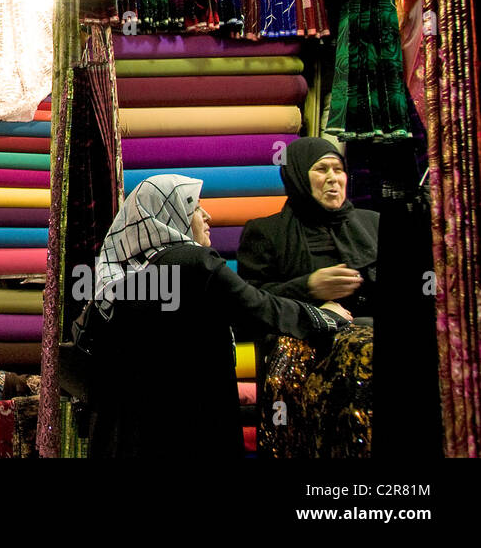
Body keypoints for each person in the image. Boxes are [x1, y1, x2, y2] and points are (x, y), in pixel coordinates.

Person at [82, 175, 350, 458]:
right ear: (169, 213)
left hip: (123, 436)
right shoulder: (195, 263)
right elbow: (259, 309)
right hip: (187, 430)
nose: (207, 215)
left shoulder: (120, 276)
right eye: (195, 208)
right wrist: (323, 316)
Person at [237, 137, 378, 320]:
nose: (333, 178)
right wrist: (309, 287)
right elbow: (249, 302)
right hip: (304, 336)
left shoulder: (373, 223)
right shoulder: (265, 232)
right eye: (321, 169)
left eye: (338, 169)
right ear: (298, 175)